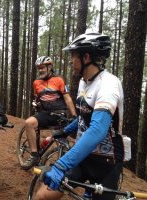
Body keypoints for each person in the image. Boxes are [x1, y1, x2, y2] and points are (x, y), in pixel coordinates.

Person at [35, 33, 124, 200]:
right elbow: (84, 118)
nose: (70, 61)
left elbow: (98, 129)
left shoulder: (109, 84)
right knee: (43, 195)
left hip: (107, 163)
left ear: (86, 57)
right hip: (83, 156)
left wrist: (61, 165)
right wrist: (62, 132)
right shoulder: (85, 81)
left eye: (73, 56)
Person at [21, 56, 77, 170]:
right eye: (38, 68)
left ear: (50, 67)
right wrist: (36, 104)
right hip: (46, 114)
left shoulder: (59, 80)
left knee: (61, 140)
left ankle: (63, 164)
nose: (40, 70)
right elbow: (37, 98)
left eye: (42, 67)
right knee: (29, 123)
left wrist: (75, 116)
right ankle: (34, 155)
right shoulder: (36, 83)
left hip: (60, 115)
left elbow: (68, 99)